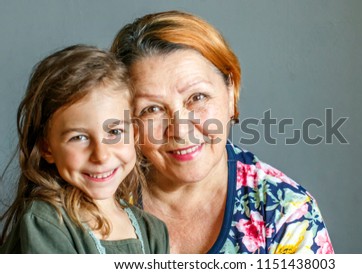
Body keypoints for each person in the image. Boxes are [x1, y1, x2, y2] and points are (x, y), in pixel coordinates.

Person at [111, 10, 334, 254]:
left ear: (231, 94)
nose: (181, 130)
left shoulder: (286, 212)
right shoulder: (95, 200)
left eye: (197, 97)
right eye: (152, 109)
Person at [0, 45, 169, 254]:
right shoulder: (47, 222)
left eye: (114, 132)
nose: (101, 155)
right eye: (79, 137)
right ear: (47, 148)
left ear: (134, 134)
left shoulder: (153, 231)